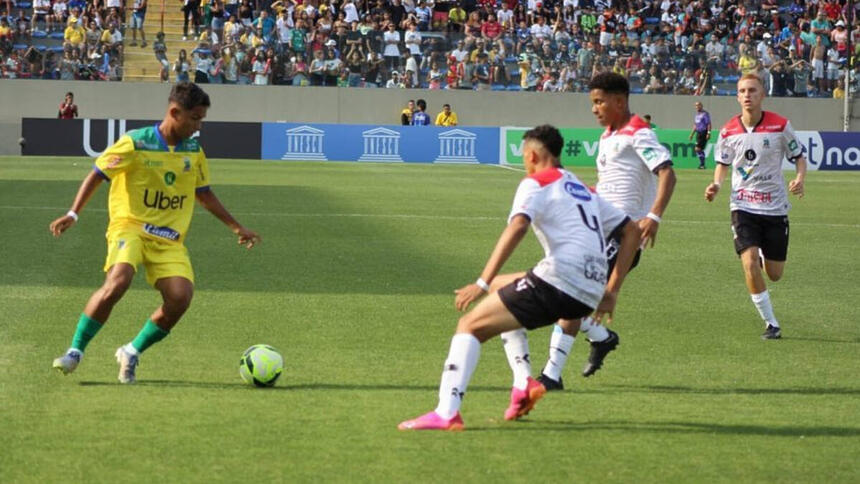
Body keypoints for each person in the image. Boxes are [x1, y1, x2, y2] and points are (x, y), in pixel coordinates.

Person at [398, 125, 640, 431]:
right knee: (503, 289)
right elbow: (632, 231)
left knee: (469, 325)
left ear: (534, 155)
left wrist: (481, 281)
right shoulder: (582, 189)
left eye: (525, 157)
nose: (525, 163)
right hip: (590, 289)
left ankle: (447, 412)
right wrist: (612, 290)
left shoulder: (535, 182)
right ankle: (523, 382)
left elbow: (518, 227)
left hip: (561, 277)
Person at [50, 82, 261, 384]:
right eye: (195, 119)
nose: (198, 126)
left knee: (180, 297)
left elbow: (203, 193)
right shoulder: (136, 143)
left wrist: (236, 226)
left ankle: (131, 351)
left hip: (169, 238)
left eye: (202, 119)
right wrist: (73, 213)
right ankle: (75, 351)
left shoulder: (193, 150)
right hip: (130, 226)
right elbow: (98, 174)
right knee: (119, 280)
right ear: (175, 112)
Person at [531, 73, 676, 391]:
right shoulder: (607, 137)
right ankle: (601, 338)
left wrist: (653, 215)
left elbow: (667, 173)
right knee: (571, 295)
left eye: (599, 101)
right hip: (597, 229)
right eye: (592, 103)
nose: (594, 109)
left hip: (623, 234)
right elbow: (611, 186)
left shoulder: (638, 133)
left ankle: (551, 376)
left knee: (569, 294)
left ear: (620, 101)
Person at [704, 74, 807, 340]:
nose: (747, 95)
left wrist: (799, 178)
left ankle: (764, 257)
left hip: (774, 209)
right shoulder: (728, 131)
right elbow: (722, 165)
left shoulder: (780, 126)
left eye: (752, 90)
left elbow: (799, 158)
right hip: (743, 207)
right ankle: (771, 323)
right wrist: (716, 184)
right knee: (748, 263)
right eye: (742, 91)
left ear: (762, 94)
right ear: (737, 97)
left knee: (774, 274)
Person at [689, 101, 712, 169]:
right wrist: (692, 134)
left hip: (703, 132)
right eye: (696, 105)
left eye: (698, 105)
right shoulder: (697, 115)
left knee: (698, 148)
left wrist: (708, 133)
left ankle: (702, 164)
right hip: (698, 133)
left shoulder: (705, 114)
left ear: (701, 106)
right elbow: (695, 125)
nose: (697, 107)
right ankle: (702, 164)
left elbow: (709, 124)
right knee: (698, 149)